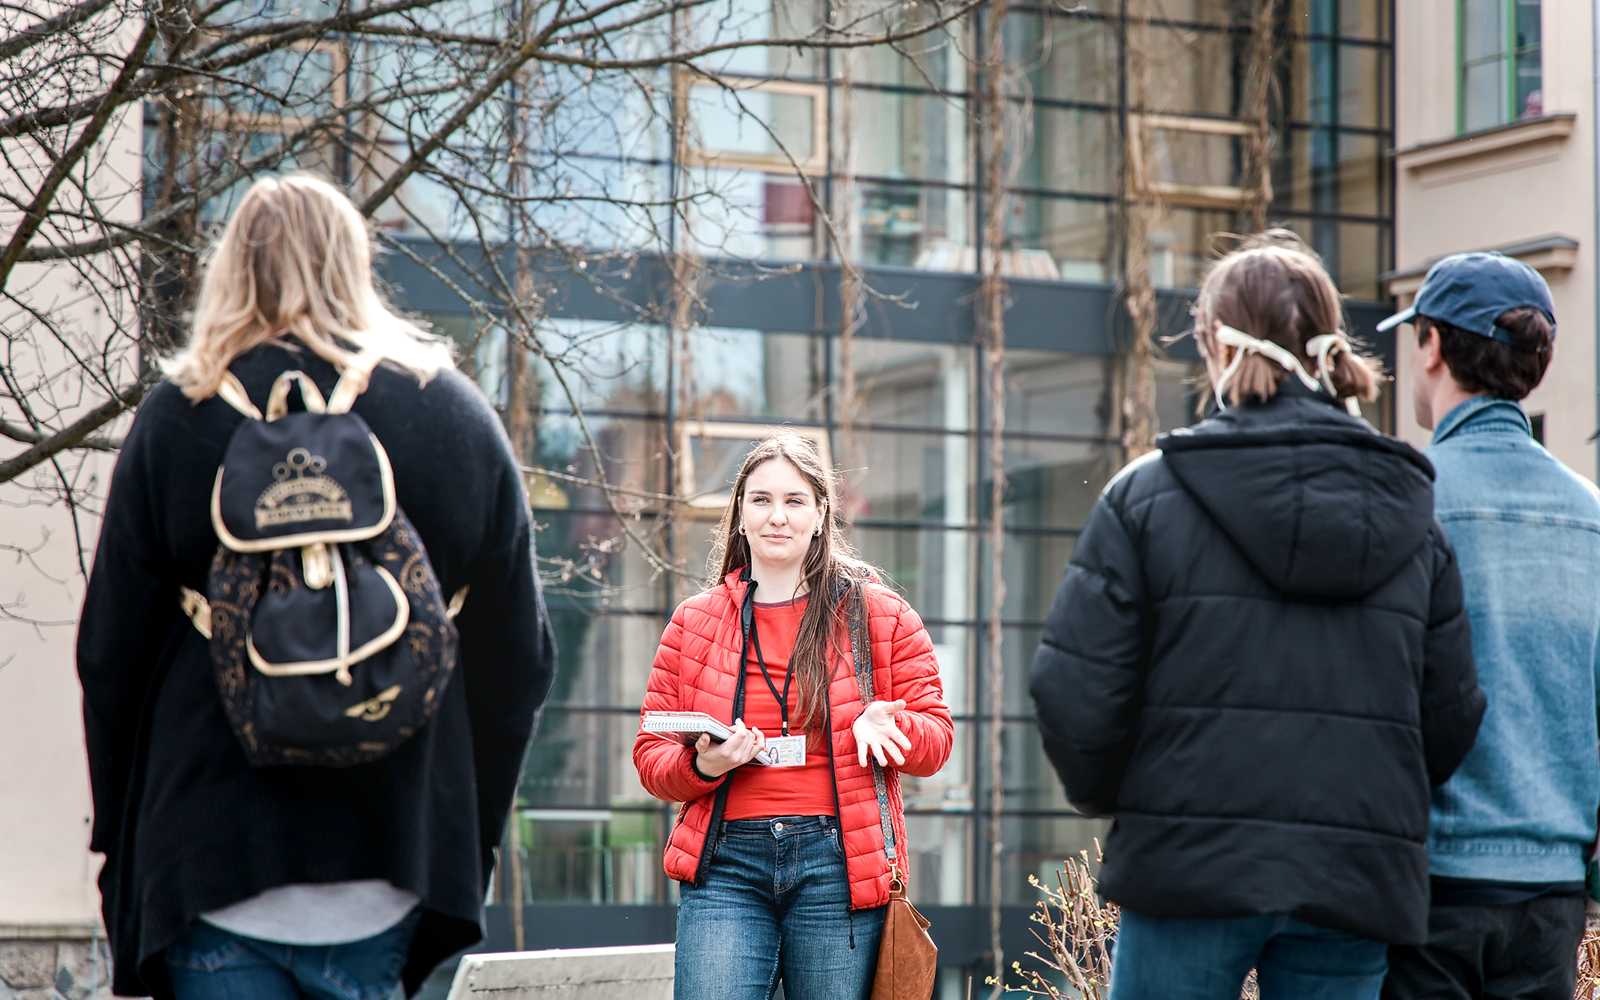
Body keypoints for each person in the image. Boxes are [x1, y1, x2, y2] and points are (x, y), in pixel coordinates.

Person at [76, 174, 556, 1000]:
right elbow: (520, 663)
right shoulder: (453, 414)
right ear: (356, 263)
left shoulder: (175, 418)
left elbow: (109, 658)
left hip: (207, 855)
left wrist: (122, 849)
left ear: (233, 267)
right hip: (391, 858)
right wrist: (465, 833)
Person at [1029, 233, 1485, 1000]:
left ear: (1217, 346)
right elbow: (1449, 715)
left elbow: (1074, 694)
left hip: (1187, 865)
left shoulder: (1147, 495)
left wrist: (1137, 800)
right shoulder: (1415, 513)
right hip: (1355, 877)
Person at [633, 433, 953, 1000]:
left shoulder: (881, 614)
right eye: (760, 500)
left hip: (838, 866)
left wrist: (891, 728)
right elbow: (651, 754)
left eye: (794, 500)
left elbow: (937, 741)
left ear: (821, 513)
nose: (776, 516)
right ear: (739, 515)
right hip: (724, 864)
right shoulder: (694, 622)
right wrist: (704, 765)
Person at [1378, 252, 1599, 1000]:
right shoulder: (1593, 517)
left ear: (1433, 346)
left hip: (1430, 885)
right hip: (1552, 893)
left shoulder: (1404, 502)